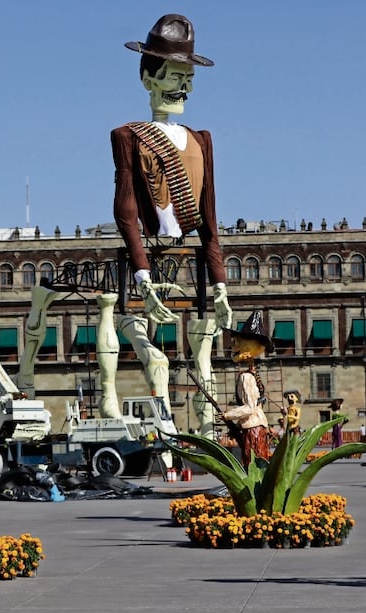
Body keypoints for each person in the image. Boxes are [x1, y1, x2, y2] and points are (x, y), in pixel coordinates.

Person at [108, 13, 233, 436]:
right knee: (157, 352)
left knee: (204, 352)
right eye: (174, 76)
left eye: (188, 77)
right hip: (150, 256)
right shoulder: (129, 135)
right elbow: (125, 210)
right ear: (148, 80)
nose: (184, 87)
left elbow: (209, 217)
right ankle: (164, 428)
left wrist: (220, 283)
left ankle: (208, 430)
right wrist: (142, 274)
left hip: (190, 254)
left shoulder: (202, 139)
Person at [222, 311, 273, 467]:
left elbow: (250, 408)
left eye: (237, 342)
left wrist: (228, 415)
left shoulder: (246, 377)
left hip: (253, 430)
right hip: (257, 427)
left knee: (252, 465)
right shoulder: (252, 374)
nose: (233, 346)